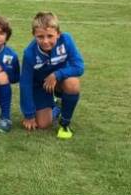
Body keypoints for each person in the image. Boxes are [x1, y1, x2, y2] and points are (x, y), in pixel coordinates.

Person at [20, 11, 84, 140]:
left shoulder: (66, 40)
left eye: (50, 36)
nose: (45, 41)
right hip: (40, 85)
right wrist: (29, 115)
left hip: (60, 81)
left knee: (73, 84)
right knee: (43, 124)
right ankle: (56, 107)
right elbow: (25, 84)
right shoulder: (29, 53)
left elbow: (79, 67)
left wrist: (57, 74)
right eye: (40, 36)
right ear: (34, 35)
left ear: (58, 34)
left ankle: (65, 123)